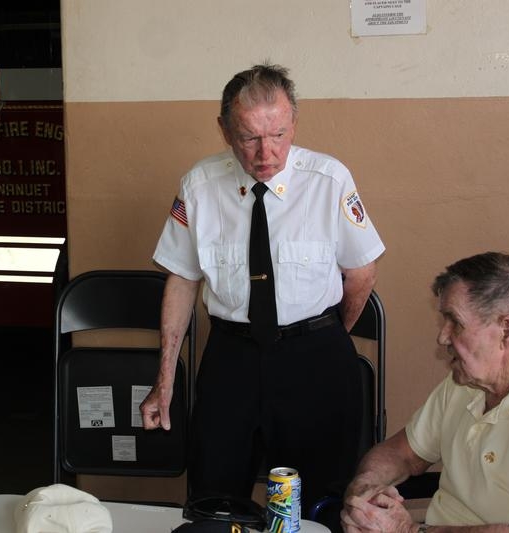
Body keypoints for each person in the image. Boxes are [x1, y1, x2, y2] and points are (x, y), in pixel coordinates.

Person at [140, 63, 385, 511]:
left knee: (322, 500)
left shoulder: (329, 181)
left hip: (316, 357)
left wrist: (328, 336)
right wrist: (165, 380)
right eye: (249, 137)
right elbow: (181, 280)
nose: (266, 152)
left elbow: (362, 273)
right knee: (214, 492)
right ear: (224, 130)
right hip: (231, 358)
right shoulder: (199, 185)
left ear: (294, 122)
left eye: (278, 134)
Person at [342, 252, 509, 533]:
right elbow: (402, 452)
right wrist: (365, 492)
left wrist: (410, 531)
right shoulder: (467, 381)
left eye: (455, 322)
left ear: (507, 330)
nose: (442, 336)